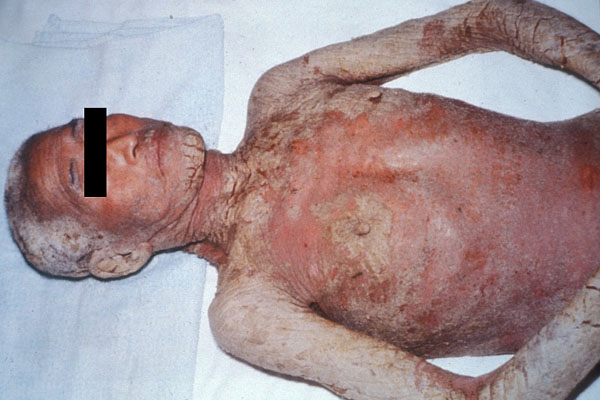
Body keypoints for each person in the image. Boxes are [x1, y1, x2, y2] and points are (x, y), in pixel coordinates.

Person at [5, 0, 600, 398]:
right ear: (119, 258)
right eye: (87, 176)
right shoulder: (249, 309)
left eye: (92, 126)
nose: (119, 142)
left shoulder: (285, 92)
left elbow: (482, 19)